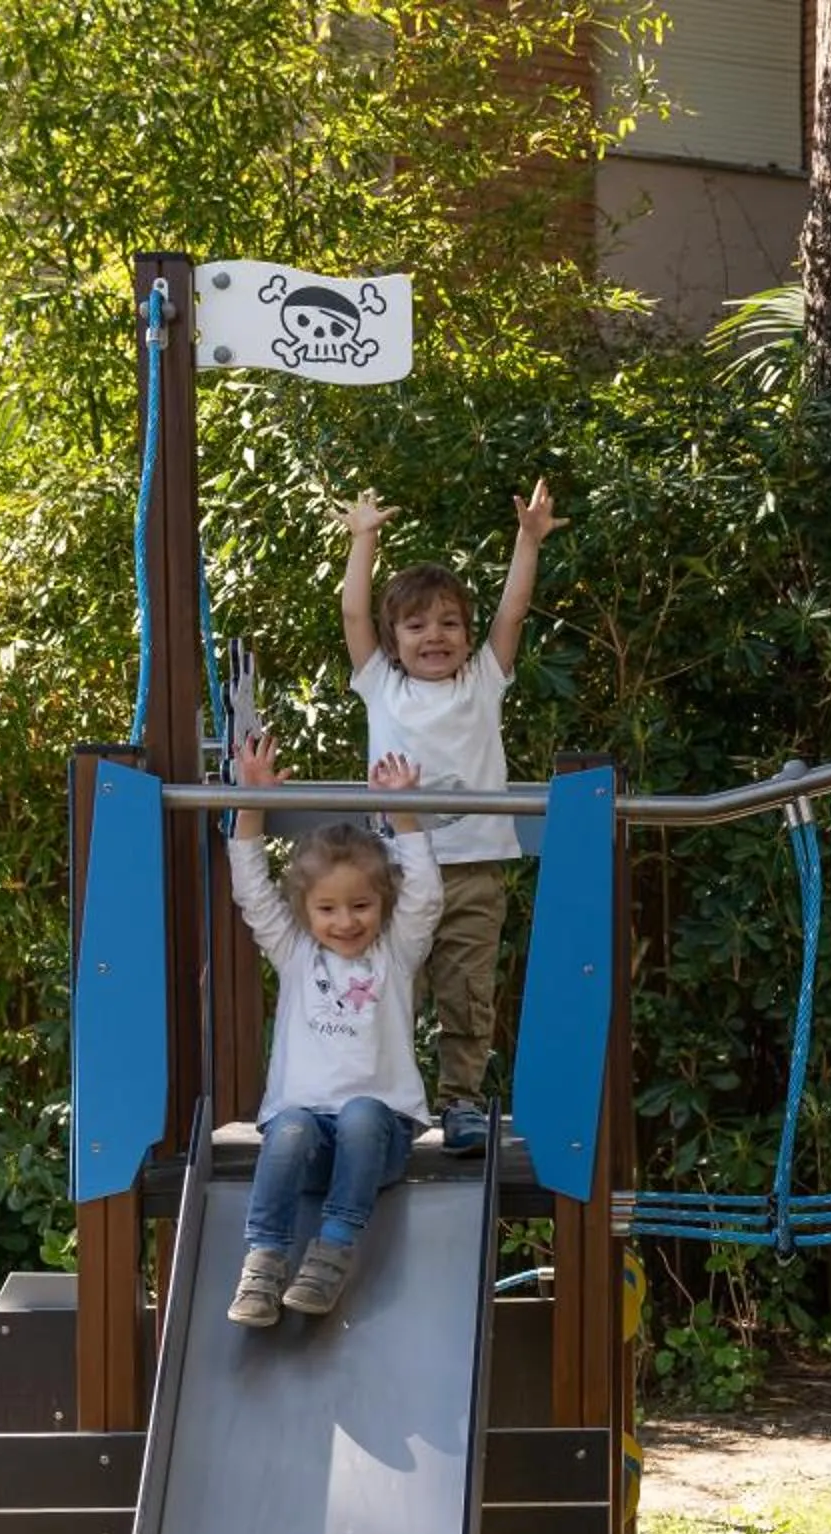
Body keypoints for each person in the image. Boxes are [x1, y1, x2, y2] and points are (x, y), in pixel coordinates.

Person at [340, 479, 562, 1152]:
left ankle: (462, 1101)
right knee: (393, 990)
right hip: (399, 874)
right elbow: (352, 615)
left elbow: (513, 614)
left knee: (466, 993)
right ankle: (392, 1104)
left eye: (448, 624)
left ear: (467, 636)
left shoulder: (482, 680)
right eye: (416, 625)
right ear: (393, 639)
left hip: (473, 872)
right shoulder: (380, 684)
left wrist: (528, 541)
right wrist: (364, 541)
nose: (433, 636)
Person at [225, 732, 443, 1327]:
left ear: (382, 905)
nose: (345, 921)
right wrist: (251, 806)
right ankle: (264, 1258)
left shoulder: (396, 954)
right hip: (309, 1146)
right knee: (289, 1125)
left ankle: (333, 1250)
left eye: (361, 907)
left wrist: (404, 813)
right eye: (328, 909)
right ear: (305, 911)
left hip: (381, 1140)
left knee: (362, 1113)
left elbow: (424, 895)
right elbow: (251, 890)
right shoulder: (294, 953)